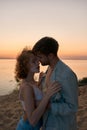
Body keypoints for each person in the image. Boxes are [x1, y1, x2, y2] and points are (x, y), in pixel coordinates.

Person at [32, 36, 78, 130]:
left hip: (61, 126)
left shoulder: (66, 75)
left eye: (40, 57)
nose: (38, 61)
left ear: (51, 56)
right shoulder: (48, 69)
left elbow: (72, 107)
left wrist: (48, 106)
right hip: (47, 123)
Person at [15, 47, 61, 130]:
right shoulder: (27, 87)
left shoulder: (32, 83)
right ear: (25, 65)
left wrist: (39, 83)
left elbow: (35, 97)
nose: (38, 63)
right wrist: (47, 95)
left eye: (37, 60)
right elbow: (32, 120)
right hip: (27, 127)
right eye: (34, 61)